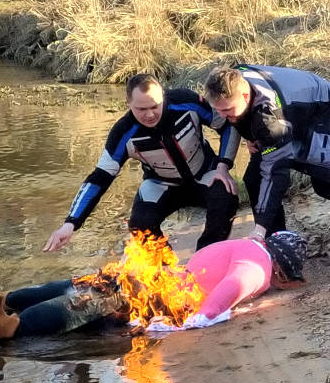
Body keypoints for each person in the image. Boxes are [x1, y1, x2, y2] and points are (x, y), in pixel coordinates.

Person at [0, 232, 308, 338]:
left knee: (87, 285)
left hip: (162, 278)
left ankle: (7, 300)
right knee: (91, 300)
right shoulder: (260, 267)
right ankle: (11, 325)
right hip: (164, 294)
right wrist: (204, 318)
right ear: (284, 274)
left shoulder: (248, 246)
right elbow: (235, 284)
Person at [46, 74, 239, 254]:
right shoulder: (122, 133)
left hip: (205, 172)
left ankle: (205, 258)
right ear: (128, 103)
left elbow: (226, 124)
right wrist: (71, 223)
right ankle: (165, 271)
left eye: (155, 106)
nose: (150, 115)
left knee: (226, 198)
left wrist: (223, 164)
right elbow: (99, 178)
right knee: (139, 224)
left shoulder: (186, 101)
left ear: (163, 96)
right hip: (162, 184)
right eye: (141, 109)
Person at [202, 64, 330, 239]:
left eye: (227, 110)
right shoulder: (231, 82)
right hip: (288, 109)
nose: (223, 116)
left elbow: (276, 172)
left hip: (322, 107)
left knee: (325, 182)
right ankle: (278, 239)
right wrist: (228, 159)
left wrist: (259, 227)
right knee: (254, 178)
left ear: (245, 97)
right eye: (218, 111)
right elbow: (235, 120)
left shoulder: (269, 118)